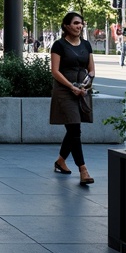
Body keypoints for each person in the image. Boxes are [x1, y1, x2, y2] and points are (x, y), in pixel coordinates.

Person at [50, 11, 95, 185]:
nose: (79, 26)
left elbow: (91, 70)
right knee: (75, 129)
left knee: (73, 129)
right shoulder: (59, 45)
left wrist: (85, 84)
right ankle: (83, 169)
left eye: (81, 23)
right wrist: (71, 86)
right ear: (66, 26)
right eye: (76, 23)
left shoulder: (86, 45)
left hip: (82, 89)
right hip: (65, 90)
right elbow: (55, 71)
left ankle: (61, 161)